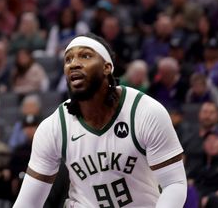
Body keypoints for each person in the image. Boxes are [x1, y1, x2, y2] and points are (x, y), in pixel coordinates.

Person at [12, 34, 187, 207]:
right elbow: (28, 202)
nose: (74, 63)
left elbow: (174, 184)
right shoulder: (54, 126)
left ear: (107, 67)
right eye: (68, 59)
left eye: (85, 56)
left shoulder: (145, 111)